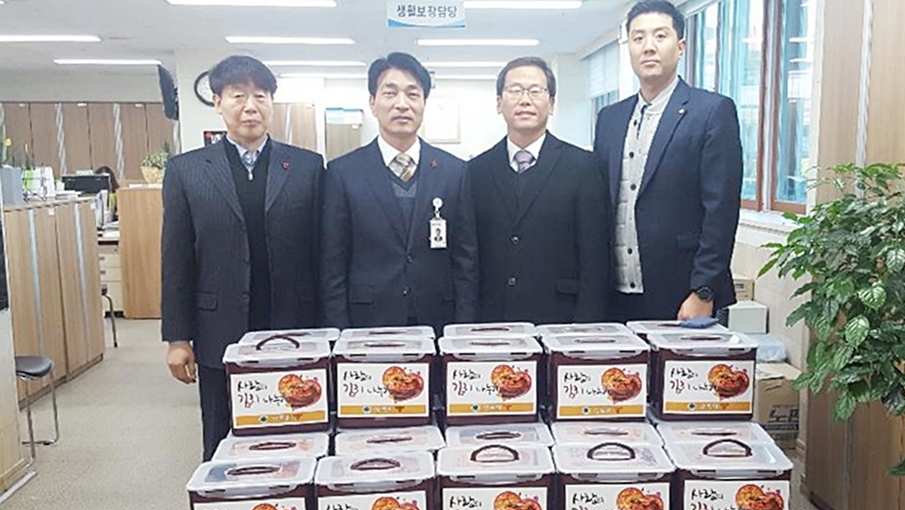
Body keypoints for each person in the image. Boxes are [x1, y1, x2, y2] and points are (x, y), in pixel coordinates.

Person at [160, 55, 324, 461]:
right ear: (218, 102)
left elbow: (321, 253)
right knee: (222, 437)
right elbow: (176, 259)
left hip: (293, 325)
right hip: (219, 329)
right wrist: (178, 338)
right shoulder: (186, 171)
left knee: (296, 429)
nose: (250, 106)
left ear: (271, 103)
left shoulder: (306, 167)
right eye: (238, 96)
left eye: (260, 96)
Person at [593, 0, 743, 321]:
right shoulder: (609, 118)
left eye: (660, 36)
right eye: (638, 38)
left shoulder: (711, 112)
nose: (648, 47)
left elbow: (721, 211)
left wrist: (704, 290)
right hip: (614, 294)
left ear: (681, 46)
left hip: (683, 293)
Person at [319, 52, 478, 332]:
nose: (402, 104)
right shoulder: (343, 172)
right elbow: (333, 263)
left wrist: (463, 328)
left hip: (438, 319)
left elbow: (465, 259)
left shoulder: (454, 171)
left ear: (424, 103)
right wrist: (339, 332)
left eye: (412, 94)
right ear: (372, 102)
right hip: (368, 321)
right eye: (390, 93)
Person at [468, 57, 609, 324]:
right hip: (493, 319)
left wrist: (587, 325)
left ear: (551, 103)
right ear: (499, 103)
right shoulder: (475, 171)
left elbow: (595, 258)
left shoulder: (583, 166)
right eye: (515, 90)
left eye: (535, 91)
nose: (525, 100)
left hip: (561, 318)